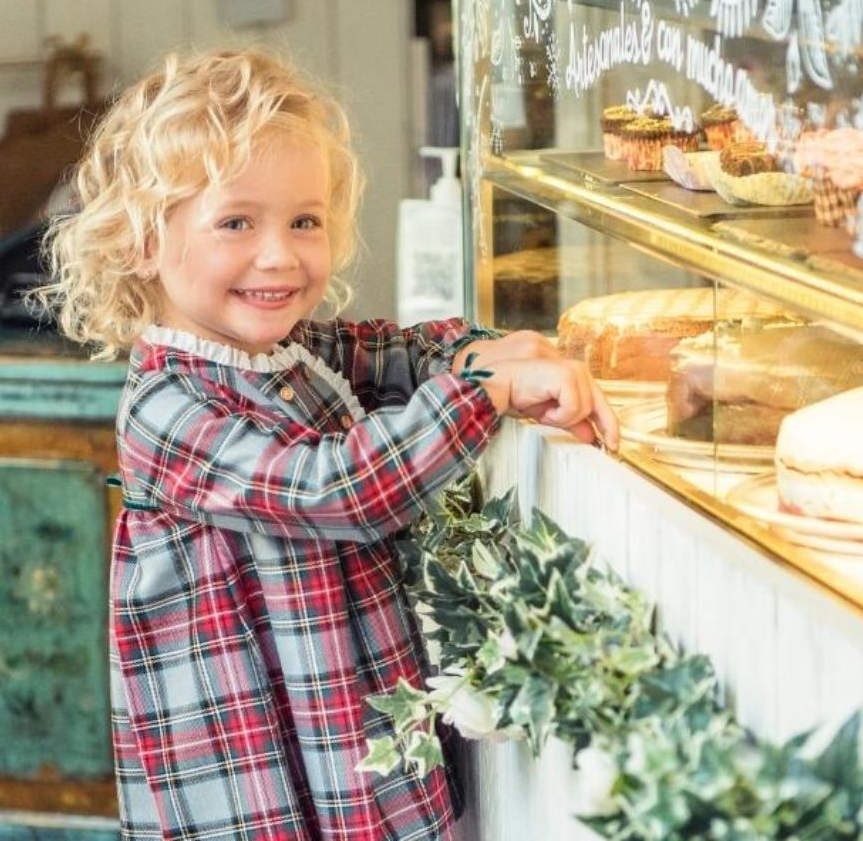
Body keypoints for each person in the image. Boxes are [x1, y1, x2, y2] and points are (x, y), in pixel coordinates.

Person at [35, 48, 618, 841]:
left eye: (304, 220)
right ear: (142, 241)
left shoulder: (294, 352)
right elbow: (335, 489)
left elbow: (401, 352)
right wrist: (482, 392)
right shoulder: (167, 405)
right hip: (251, 771)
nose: (279, 254)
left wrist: (490, 353)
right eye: (236, 222)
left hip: (344, 729)